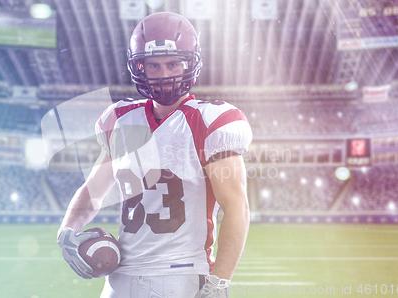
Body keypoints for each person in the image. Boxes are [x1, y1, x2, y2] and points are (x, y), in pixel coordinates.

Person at [57, 12, 252, 297]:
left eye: (173, 64)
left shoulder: (210, 121)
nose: (164, 74)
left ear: (190, 63)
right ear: (139, 67)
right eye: (153, 65)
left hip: (180, 274)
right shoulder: (120, 119)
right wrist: (67, 229)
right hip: (120, 276)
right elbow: (93, 192)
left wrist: (219, 283)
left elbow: (237, 208)